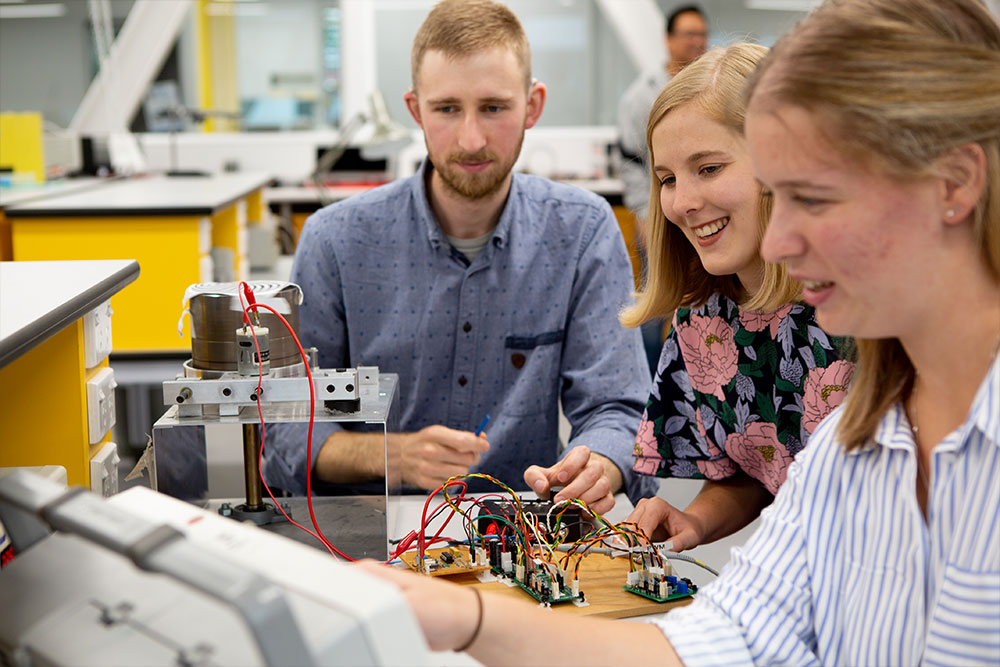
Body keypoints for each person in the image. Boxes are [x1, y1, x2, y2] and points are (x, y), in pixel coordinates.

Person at [359, 0, 1000, 664]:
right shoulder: (852, 446)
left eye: (813, 197)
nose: (778, 238)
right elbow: (729, 637)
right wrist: (463, 616)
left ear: (953, 182)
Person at [265, 0, 656, 512]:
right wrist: (394, 457)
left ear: (533, 106)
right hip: (368, 543)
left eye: (494, 107)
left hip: (523, 538)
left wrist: (594, 468)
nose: (471, 140)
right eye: (447, 109)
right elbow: (286, 430)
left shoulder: (582, 231)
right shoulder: (333, 241)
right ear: (415, 110)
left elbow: (618, 408)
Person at [617, 43, 854, 553]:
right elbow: (756, 469)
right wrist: (696, 520)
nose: (682, 203)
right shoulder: (703, 321)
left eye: (708, 168)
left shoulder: (864, 305)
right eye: (667, 179)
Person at [617, 4, 709, 373]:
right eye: (688, 34)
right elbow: (631, 162)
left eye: (701, 34)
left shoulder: (713, 89)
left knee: (702, 301)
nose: (696, 42)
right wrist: (643, 212)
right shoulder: (641, 97)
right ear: (668, 40)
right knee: (657, 303)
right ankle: (648, 384)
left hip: (704, 214)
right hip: (659, 215)